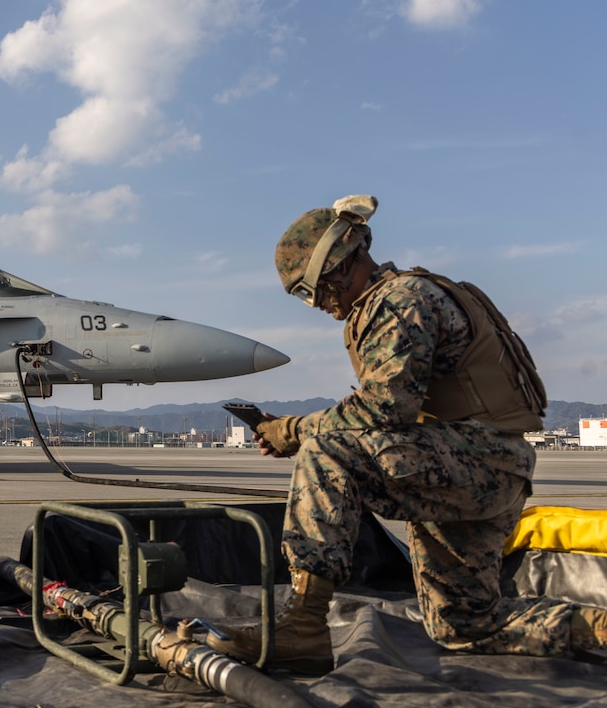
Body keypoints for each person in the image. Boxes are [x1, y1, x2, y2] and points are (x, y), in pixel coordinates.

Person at [208, 195, 607, 674]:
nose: (314, 305)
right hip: (479, 465)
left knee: (326, 451)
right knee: (464, 624)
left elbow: (383, 408)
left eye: (307, 292)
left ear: (333, 271)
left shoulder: (398, 301)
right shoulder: (414, 294)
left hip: (473, 460)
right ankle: (596, 627)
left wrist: (292, 430)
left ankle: (305, 627)